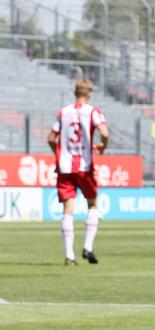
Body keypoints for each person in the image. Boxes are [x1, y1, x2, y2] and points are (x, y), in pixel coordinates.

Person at [47, 79, 109, 266]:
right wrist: (102, 146)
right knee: (92, 205)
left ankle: (69, 256)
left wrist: (60, 153)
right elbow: (104, 133)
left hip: (65, 166)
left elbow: (51, 138)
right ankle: (88, 248)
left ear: (75, 92)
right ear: (89, 93)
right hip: (84, 165)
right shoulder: (92, 111)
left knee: (68, 210)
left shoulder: (63, 112)